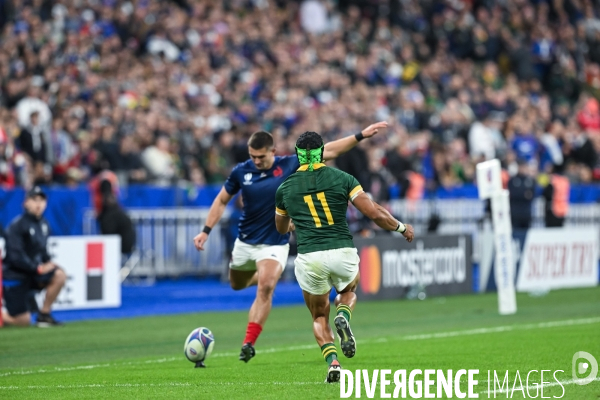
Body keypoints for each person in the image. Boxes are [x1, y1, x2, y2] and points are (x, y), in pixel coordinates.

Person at [193, 122, 388, 364]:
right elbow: (221, 201)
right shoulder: (240, 172)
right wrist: (205, 231)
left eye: (261, 156)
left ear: (272, 152)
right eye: (252, 156)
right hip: (246, 241)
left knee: (266, 286)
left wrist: (360, 135)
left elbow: (330, 150)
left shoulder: (289, 165)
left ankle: (248, 343)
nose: (256, 161)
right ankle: (260, 278)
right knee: (237, 283)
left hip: (276, 240)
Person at [274, 131, 414, 382]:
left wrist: (294, 225)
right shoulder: (342, 178)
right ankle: (344, 315)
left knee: (318, 316)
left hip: (310, 257)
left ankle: (333, 362)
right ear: (322, 153)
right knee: (348, 291)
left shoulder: (285, 188)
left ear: (298, 155)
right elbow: (374, 213)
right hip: (342, 252)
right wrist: (401, 227)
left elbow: (281, 228)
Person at [1, 186, 66, 327]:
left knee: (59, 274)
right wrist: (37, 268)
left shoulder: (44, 224)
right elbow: (15, 256)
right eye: (34, 200)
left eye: (41, 200)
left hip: (33, 274)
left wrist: (48, 263)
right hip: (15, 276)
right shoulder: (17, 226)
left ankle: (44, 314)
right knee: (22, 321)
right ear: (25, 203)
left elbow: (42, 250)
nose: (38, 204)